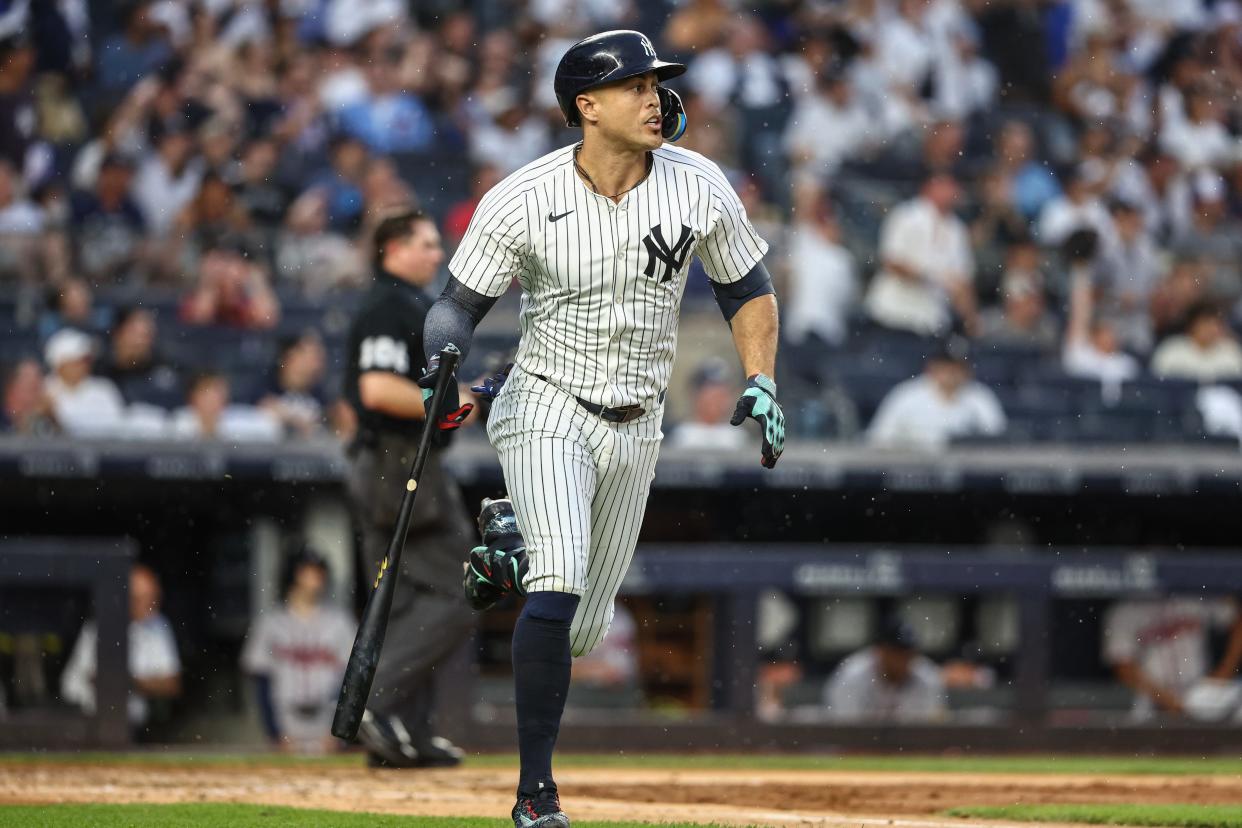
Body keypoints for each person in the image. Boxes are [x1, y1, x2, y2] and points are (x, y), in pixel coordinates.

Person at [420, 31, 783, 827]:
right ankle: (535, 796)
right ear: (587, 106)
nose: (655, 97)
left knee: (580, 630)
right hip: (544, 402)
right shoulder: (523, 193)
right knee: (557, 584)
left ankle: (513, 542)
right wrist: (444, 355)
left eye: (658, 83)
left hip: (638, 424)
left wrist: (761, 378)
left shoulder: (699, 183)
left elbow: (747, 288)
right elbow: (455, 302)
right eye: (635, 86)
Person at [343, 208, 476, 769]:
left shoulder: (411, 305)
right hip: (398, 464)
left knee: (401, 603)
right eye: (424, 244)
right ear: (392, 250)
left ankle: (403, 732)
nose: (435, 254)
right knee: (462, 587)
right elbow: (375, 389)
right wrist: (450, 400)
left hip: (391, 461)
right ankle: (376, 705)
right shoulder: (389, 304)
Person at [241, 550, 355, 754]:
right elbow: (261, 681)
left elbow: (352, 681)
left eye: (319, 571)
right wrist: (274, 732)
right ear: (293, 574)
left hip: (326, 720)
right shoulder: (270, 623)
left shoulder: (340, 622)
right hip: (286, 717)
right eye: (308, 571)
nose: (316, 578)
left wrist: (340, 731)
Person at [60, 564, 182, 732]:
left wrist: (130, 681)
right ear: (126, 597)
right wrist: (141, 682)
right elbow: (100, 679)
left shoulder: (158, 624)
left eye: (154, 597)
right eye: (143, 598)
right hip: (86, 719)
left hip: (133, 725)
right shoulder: (101, 623)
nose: (151, 604)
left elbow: (171, 684)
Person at [863, 173, 978, 337]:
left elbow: (963, 282)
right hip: (893, 314)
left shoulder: (957, 230)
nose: (953, 191)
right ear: (929, 186)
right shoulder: (906, 215)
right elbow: (892, 262)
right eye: (946, 185)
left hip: (931, 322)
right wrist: (932, 277)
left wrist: (971, 320)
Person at [1103, 595, 1242, 721]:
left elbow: (1237, 619)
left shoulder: (1195, 595)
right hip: (1151, 702)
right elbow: (1122, 666)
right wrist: (1168, 700)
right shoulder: (1126, 609)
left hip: (1201, 694)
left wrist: (1223, 674)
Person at [866, 339, 1006, 450]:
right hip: (913, 471)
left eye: (958, 366)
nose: (951, 372)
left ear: (968, 370)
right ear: (931, 367)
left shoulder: (981, 396)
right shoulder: (906, 395)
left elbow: (998, 442)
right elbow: (878, 440)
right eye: (946, 365)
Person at [823, 616, 947, 723]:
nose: (903, 659)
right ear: (880, 651)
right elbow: (843, 733)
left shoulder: (927, 677)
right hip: (858, 748)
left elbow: (933, 732)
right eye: (897, 652)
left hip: (909, 748)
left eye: (908, 653)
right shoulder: (852, 676)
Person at [43, 327, 127, 438]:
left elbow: (117, 427)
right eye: (78, 361)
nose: (85, 365)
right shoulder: (42, 390)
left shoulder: (104, 388)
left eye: (87, 360)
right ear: (60, 364)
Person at [667, 357, 748, 451]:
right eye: (711, 393)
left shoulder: (738, 438)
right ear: (695, 393)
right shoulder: (680, 436)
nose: (717, 400)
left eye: (723, 394)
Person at [1151, 302, 1242, 383]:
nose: (1211, 329)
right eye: (1206, 323)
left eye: (1215, 324)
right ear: (1192, 325)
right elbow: (1156, 383)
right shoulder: (1171, 348)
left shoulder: (1231, 351)